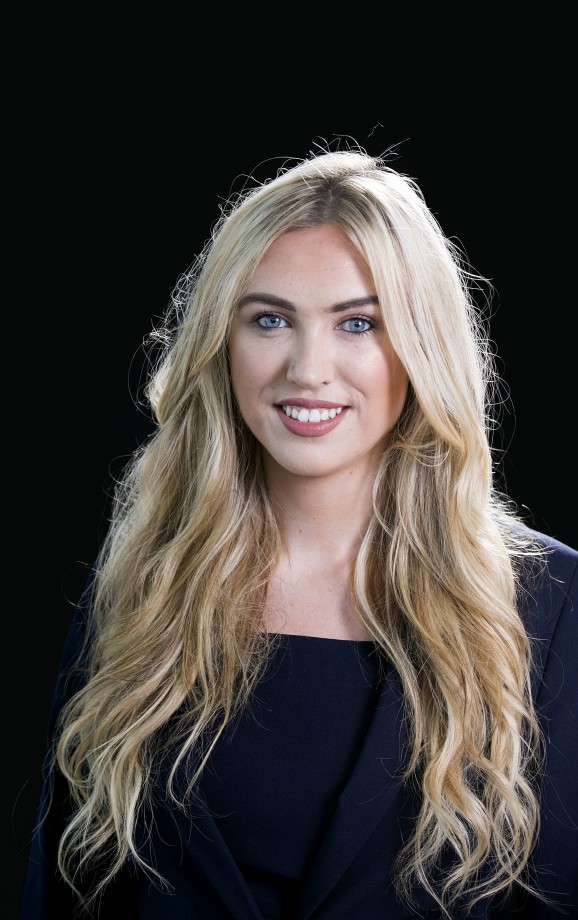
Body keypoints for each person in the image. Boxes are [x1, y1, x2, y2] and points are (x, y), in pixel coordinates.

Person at [18, 144, 577, 920]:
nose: (308, 369)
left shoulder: (550, 602)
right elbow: (61, 891)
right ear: (223, 342)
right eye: (271, 320)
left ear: (421, 348)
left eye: (358, 323)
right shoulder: (141, 589)